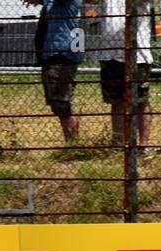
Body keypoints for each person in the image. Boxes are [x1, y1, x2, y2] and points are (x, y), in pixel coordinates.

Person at [92, 0, 152, 147]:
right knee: (116, 101)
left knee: (140, 101)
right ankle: (119, 144)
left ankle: (143, 146)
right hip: (110, 53)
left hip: (137, 54)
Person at [24, 0, 84, 142]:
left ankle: (73, 144)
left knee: (62, 103)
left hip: (63, 52)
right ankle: (72, 142)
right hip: (53, 52)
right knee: (59, 102)